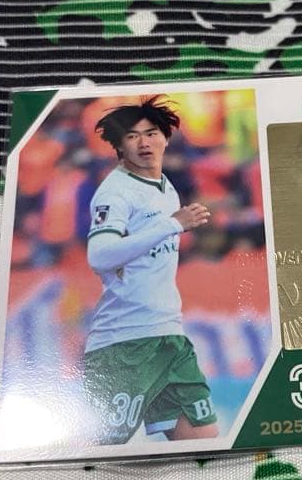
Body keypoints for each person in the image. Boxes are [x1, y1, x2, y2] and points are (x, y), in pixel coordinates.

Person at [82, 96, 217, 445]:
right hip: (124, 343)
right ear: (119, 146)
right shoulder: (114, 193)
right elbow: (100, 255)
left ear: (166, 138)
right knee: (101, 451)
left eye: (151, 133)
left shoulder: (165, 186)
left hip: (170, 338)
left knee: (204, 441)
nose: (144, 142)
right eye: (132, 136)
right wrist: (172, 224)